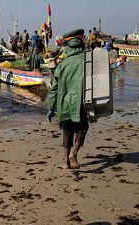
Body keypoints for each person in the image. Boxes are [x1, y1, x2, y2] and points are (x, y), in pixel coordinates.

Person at [47, 29, 89, 170]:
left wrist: (50, 108)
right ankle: (74, 154)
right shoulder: (88, 61)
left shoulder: (62, 65)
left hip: (64, 103)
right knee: (82, 128)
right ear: (81, 44)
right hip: (82, 102)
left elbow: (54, 89)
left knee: (67, 130)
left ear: (68, 47)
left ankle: (65, 161)